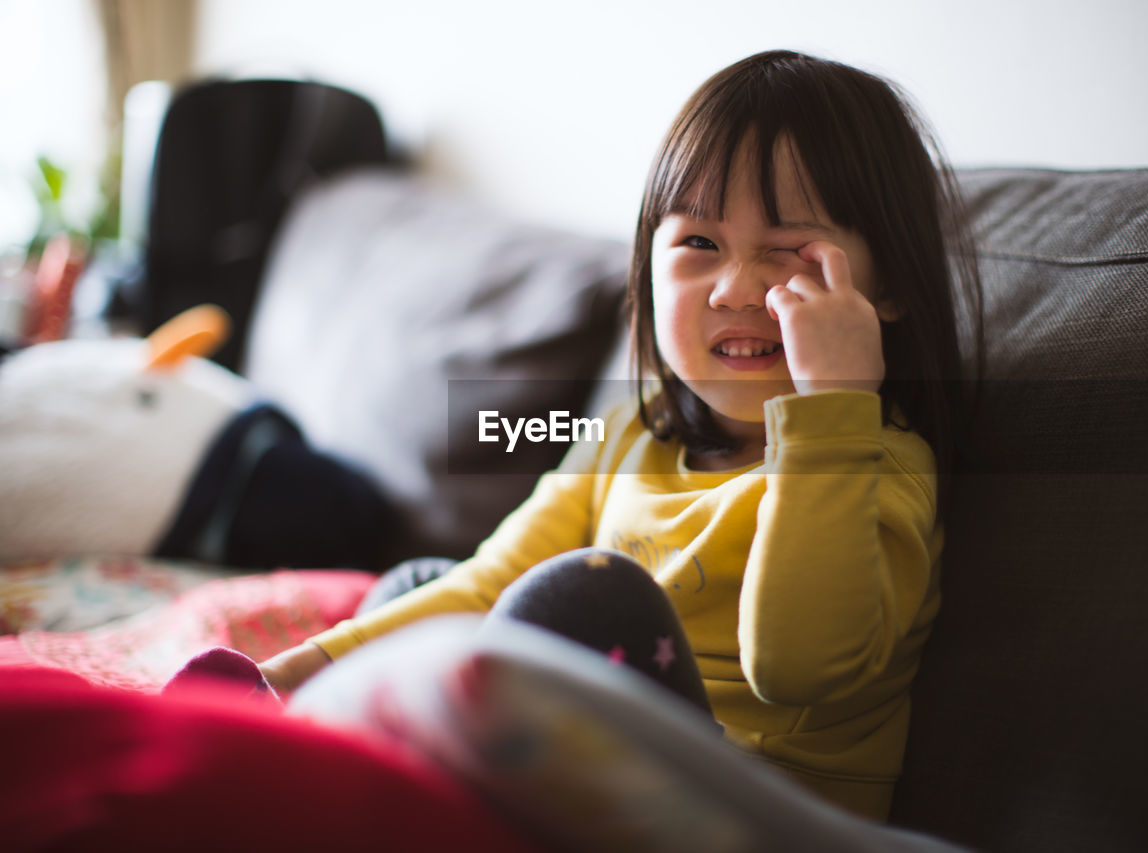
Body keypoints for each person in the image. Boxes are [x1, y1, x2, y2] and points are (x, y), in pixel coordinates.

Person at [193, 49, 978, 820]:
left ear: (891, 289)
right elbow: (492, 579)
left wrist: (831, 407)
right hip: (581, 774)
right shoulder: (629, 435)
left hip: (747, 816)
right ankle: (337, 757)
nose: (736, 288)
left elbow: (795, 668)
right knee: (422, 588)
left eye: (786, 253)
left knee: (586, 595)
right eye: (699, 244)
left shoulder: (873, 464)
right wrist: (295, 671)